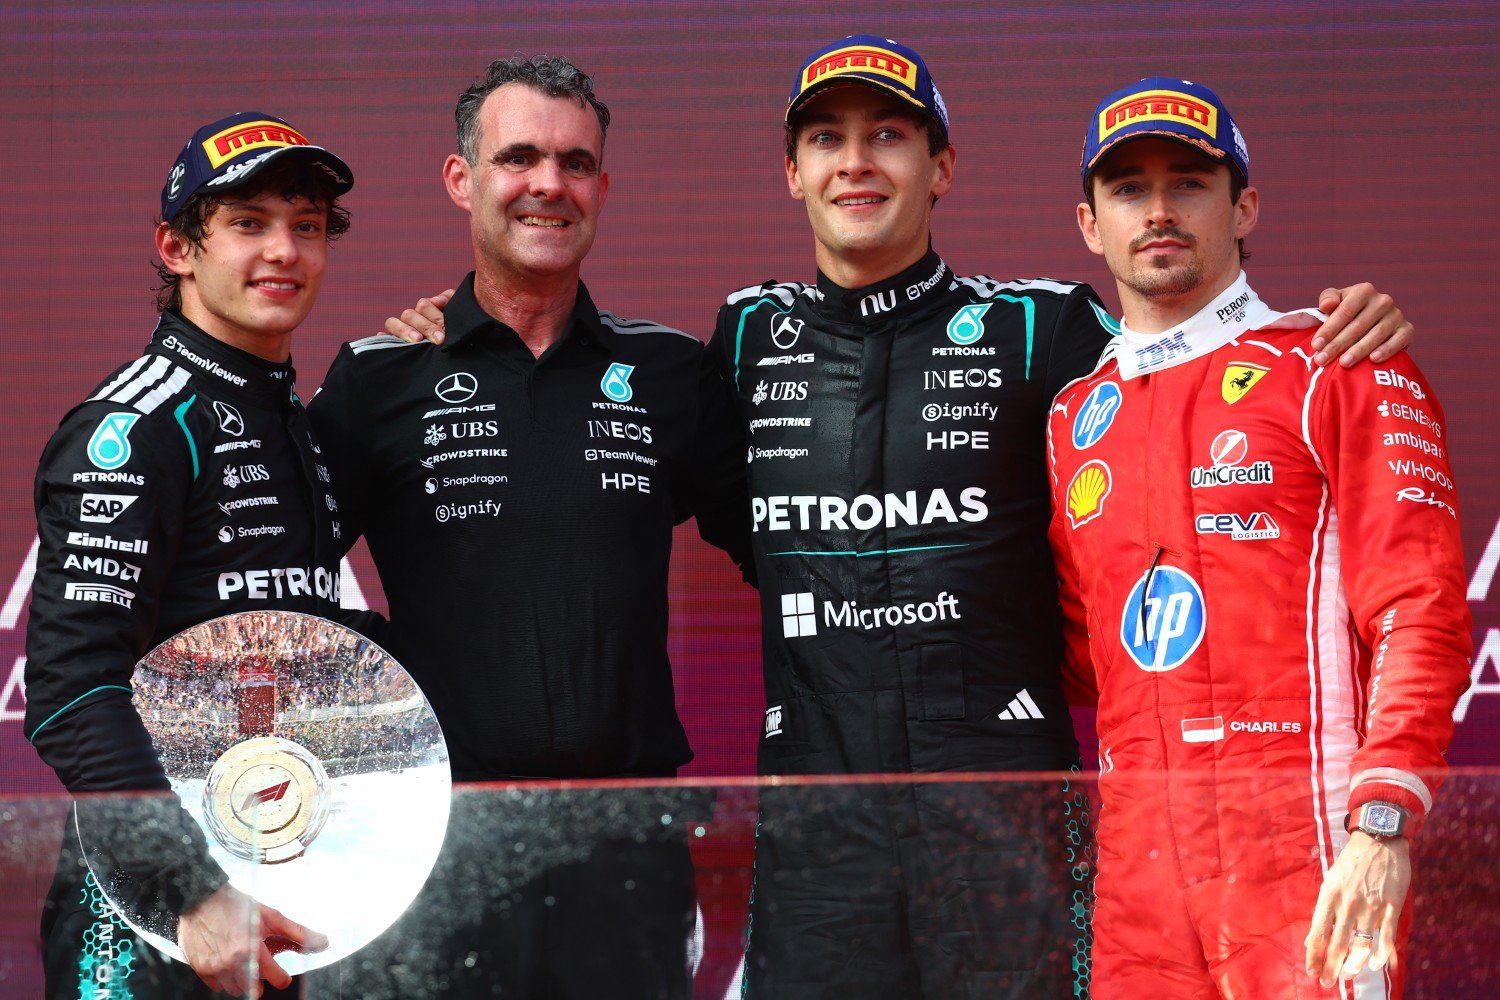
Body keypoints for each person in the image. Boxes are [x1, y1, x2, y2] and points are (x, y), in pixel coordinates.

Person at [383, 39, 1413, 997]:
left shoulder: (1041, 325)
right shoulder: (745, 338)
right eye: (827, 139)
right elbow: (574, 446)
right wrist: (464, 326)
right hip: (820, 831)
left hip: (1007, 820)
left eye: (889, 136)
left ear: (942, 167)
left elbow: (1186, 360)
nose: (856, 164)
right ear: (793, 172)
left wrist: (1323, 326)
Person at [305, 56, 753, 998]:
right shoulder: (380, 376)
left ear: (602, 185)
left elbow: (787, 546)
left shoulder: (671, 370)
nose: (549, 184)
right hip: (435, 838)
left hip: (626, 842)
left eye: (575, 162)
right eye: (518, 158)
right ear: (461, 180)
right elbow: (278, 584)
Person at [1047, 77, 1470, 998]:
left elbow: (1422, 610)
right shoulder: (1073, 418)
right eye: (1128, 189)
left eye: (1188, 183)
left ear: (1244, 207)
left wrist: (1383, 826)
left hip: (1307, 855)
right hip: (1137, 881)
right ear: (1090, 224)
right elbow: (1082, 655)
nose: (1158, 210)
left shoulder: (1338, 360)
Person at [25, 112, 356, 998]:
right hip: (147, 908)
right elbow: (68, 686)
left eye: (307, 225)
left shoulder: (298, 426)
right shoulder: (134, 427)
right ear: (177, 249)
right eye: (248, 223)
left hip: (271, 877)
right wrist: (190, 891)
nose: (284, 250)